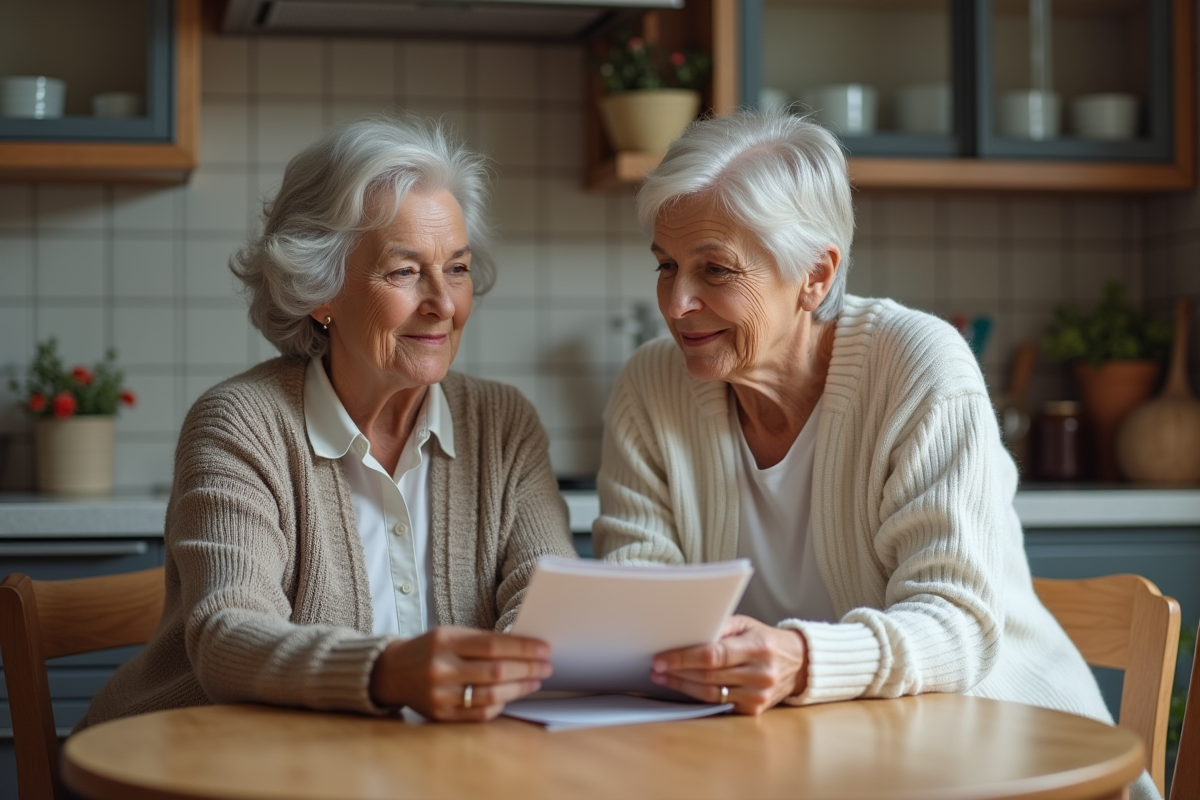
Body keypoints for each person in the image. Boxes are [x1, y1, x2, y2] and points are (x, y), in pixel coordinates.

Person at [593, 110, 1158, 799]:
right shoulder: (651, 387)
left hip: (1008, 758)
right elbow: (638, 608)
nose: (677, 303)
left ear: (815, 275)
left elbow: (957, 627)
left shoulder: (917, 366)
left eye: (714, 269)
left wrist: (799, 659)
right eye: (666, 266)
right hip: (807, 763)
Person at [79, 114, 576, 729]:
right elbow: (226, 634)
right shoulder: (241, 424)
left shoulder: (503, 424)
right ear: (319, 289)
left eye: (457, 267)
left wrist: (524, 658)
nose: (444, 304)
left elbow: (546, 593)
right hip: (209, 760)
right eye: (403, 271)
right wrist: (387, 672)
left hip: (415, 766)